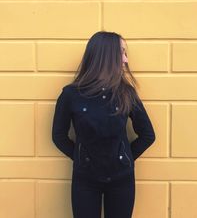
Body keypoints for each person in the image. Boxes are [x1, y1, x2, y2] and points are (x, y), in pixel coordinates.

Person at [51, 31, 156, 218]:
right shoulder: (71, 94)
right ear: (106, 56)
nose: (125, 60)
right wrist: (81, 157)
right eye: (122, 53)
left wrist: (124, 157)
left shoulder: (126, 93)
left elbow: (148, 135)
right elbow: (58, 136)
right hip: (85, 180)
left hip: (121, 180)